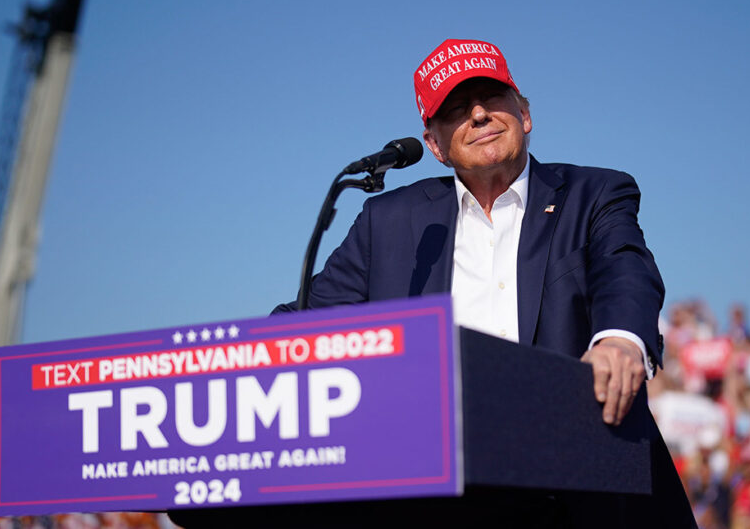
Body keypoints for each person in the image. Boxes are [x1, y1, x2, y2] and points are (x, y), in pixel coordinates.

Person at [271, 38, 693, 526]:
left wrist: (620, 340)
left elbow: (626, 269)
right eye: (454, 108)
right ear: (434, 145)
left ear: (525, 114)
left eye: (491, 98)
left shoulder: (594, 193)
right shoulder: (388, 221)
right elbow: (304, 319)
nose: (477, 114)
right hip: (438, 495)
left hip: (583, 490)